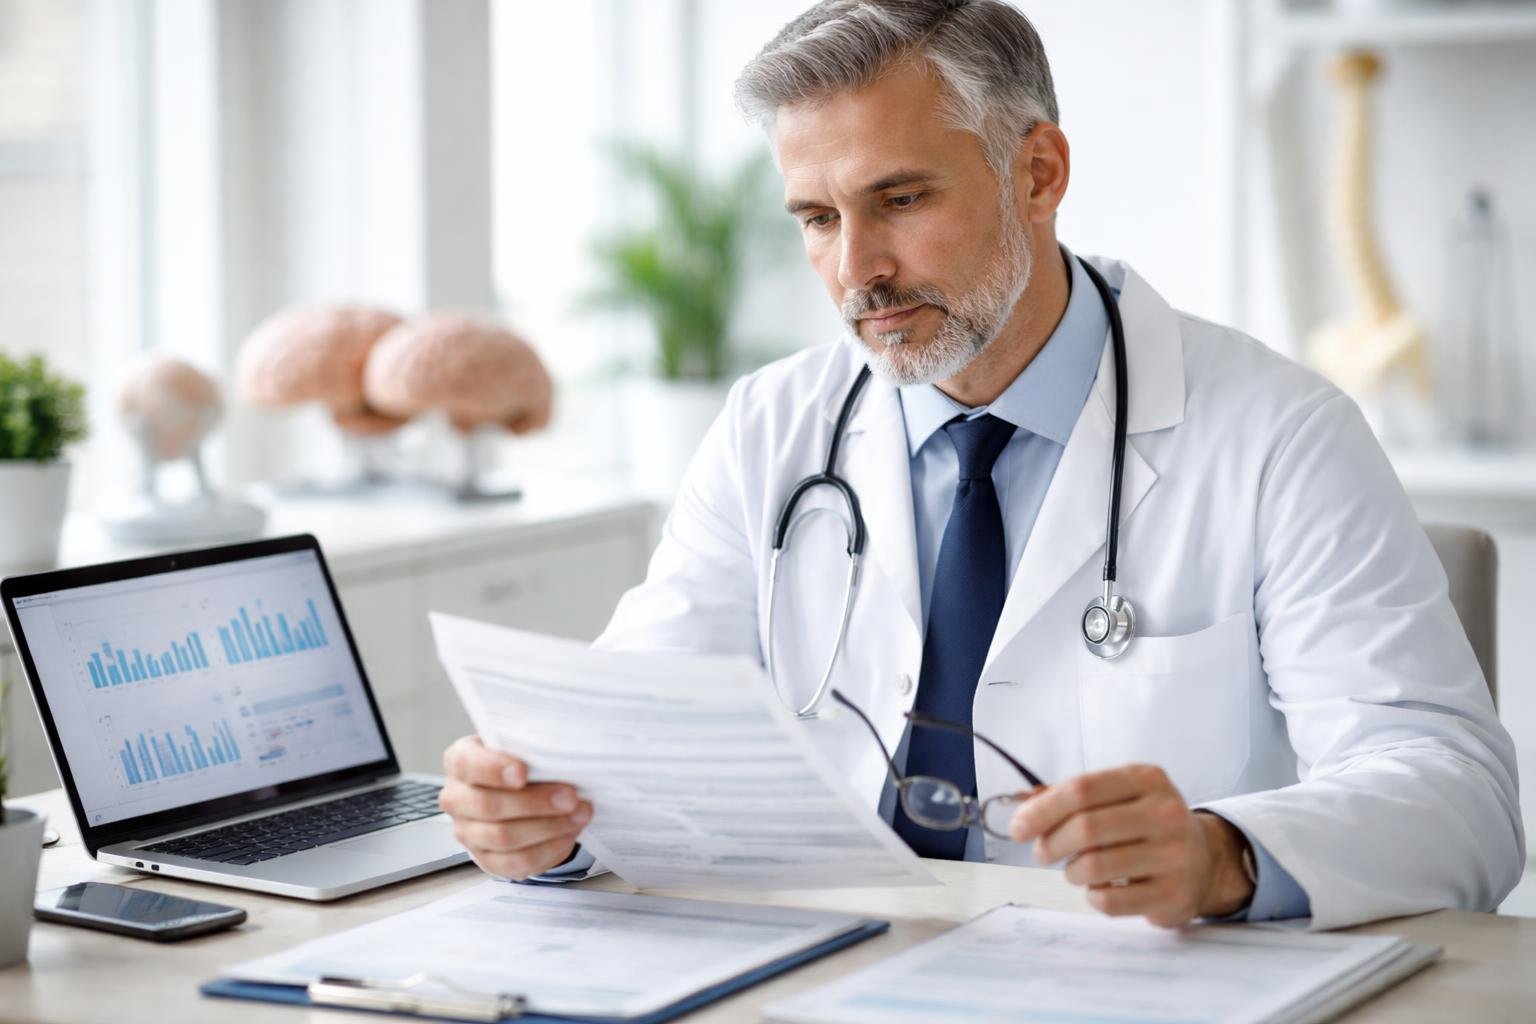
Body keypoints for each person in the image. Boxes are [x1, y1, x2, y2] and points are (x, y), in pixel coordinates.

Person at [438, 0, 1523, 930]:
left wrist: (1223, 853)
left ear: (1039, 172)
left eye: (900, 200)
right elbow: (634, 737)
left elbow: (1460, 801)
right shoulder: (772, 427)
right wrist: (545, 821)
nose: (855, 269)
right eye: (817, 218)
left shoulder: (1279, 434)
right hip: (834, 969)